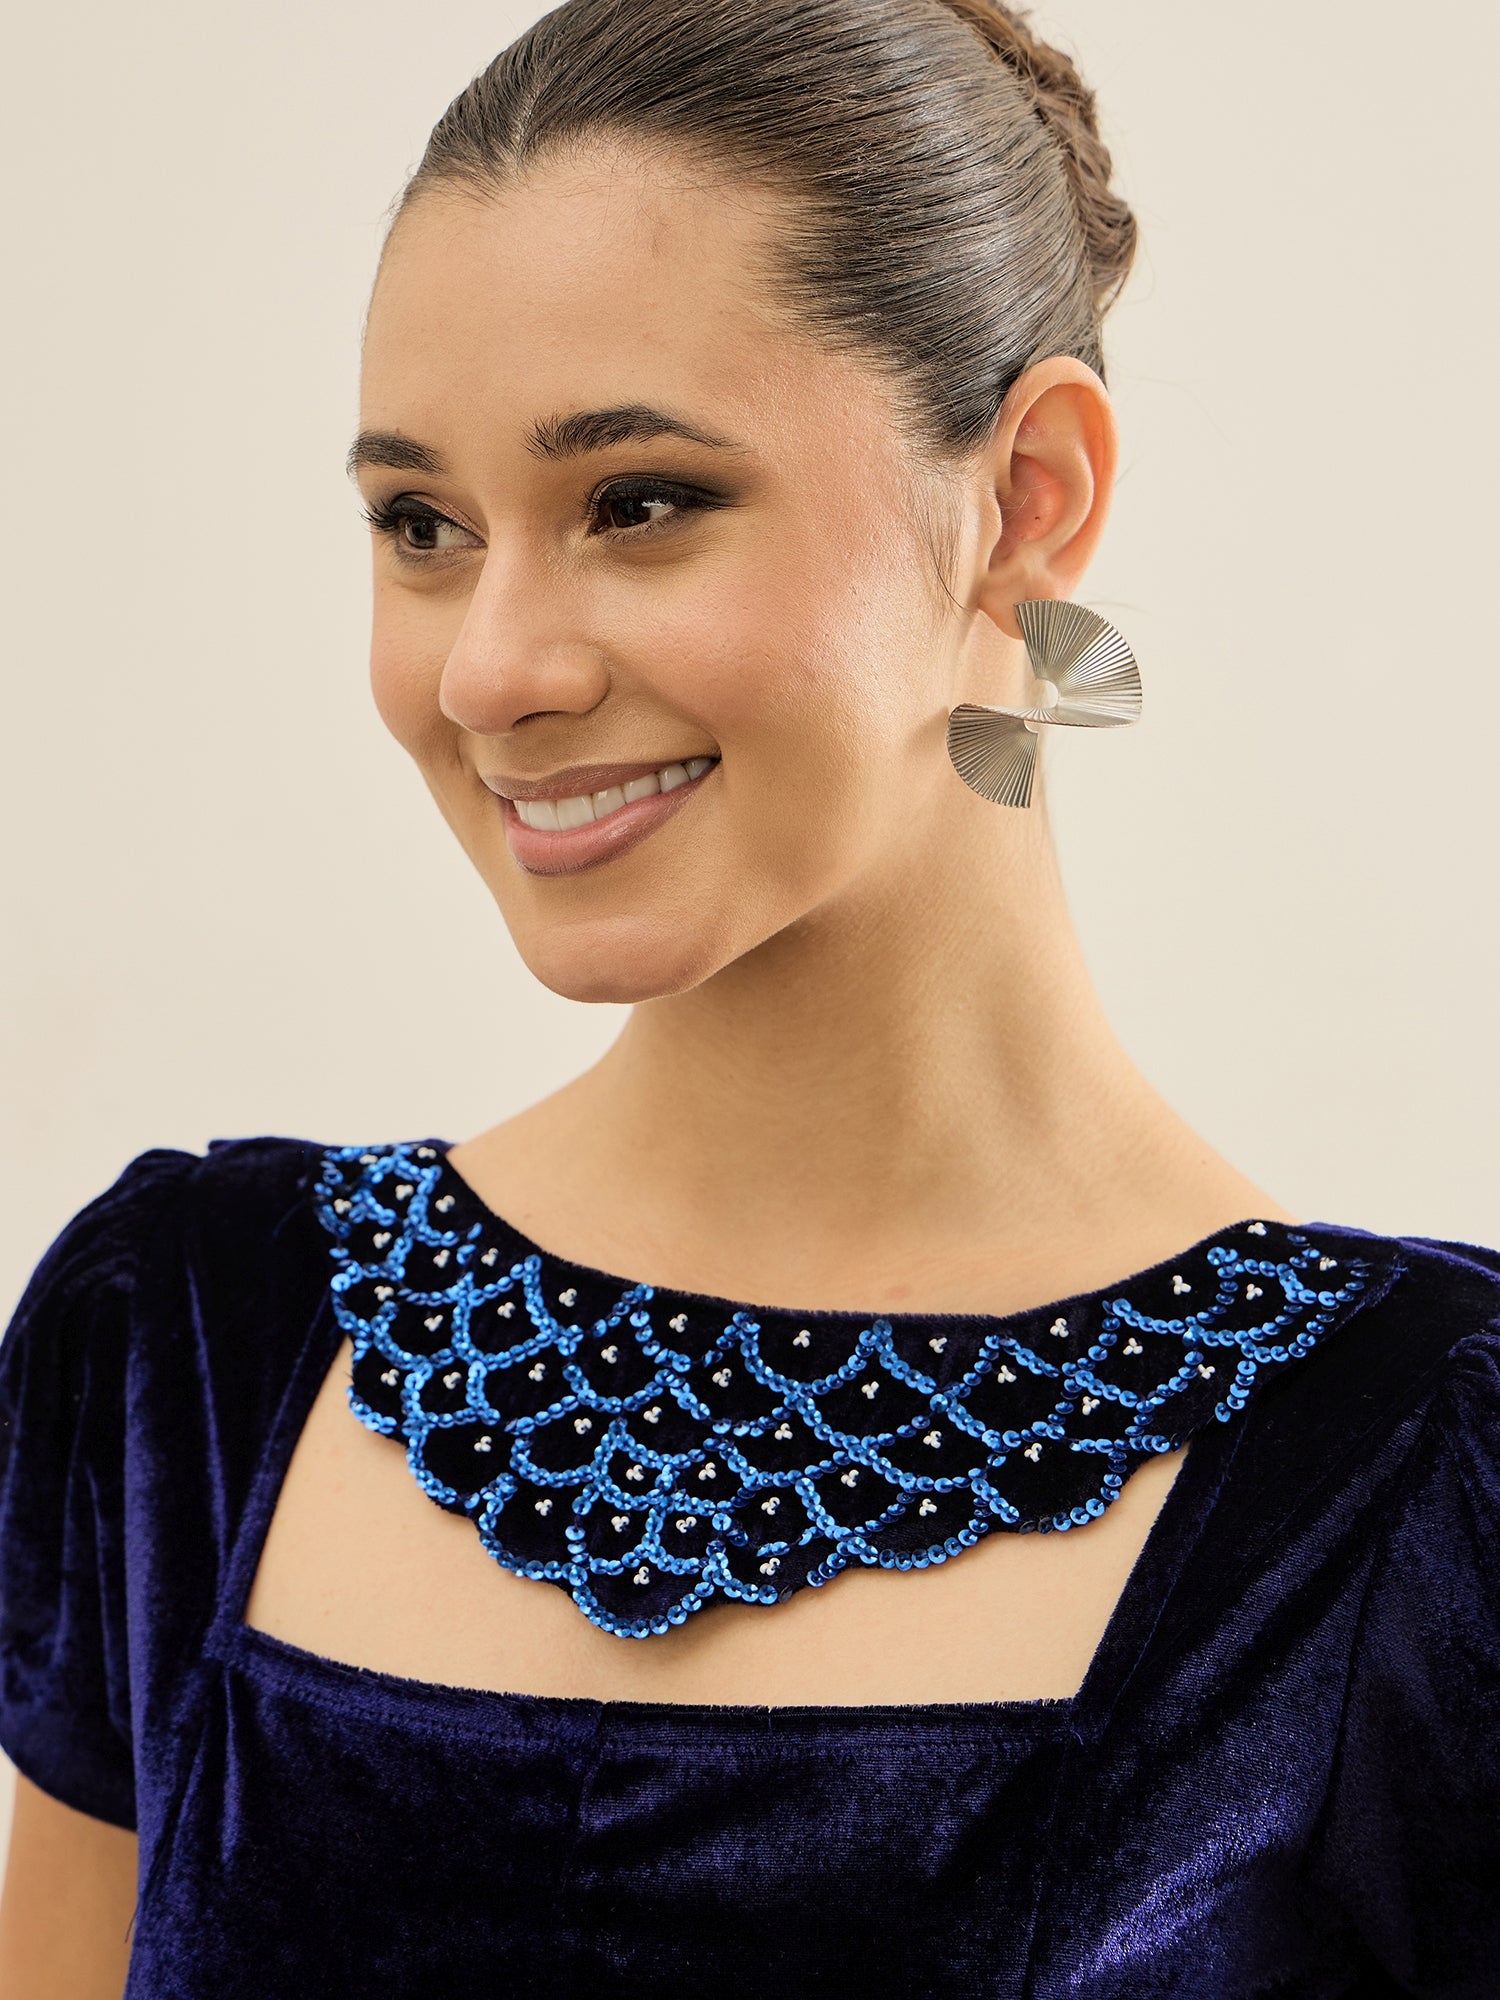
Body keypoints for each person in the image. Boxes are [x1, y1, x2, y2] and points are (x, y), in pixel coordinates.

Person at [1, 0, 1496, 1992]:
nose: (490, 668)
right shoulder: (184, 1353)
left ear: (1030, 496)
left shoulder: (1423, 1493)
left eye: (636, 501)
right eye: (421, 527)